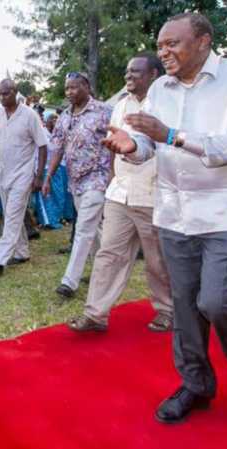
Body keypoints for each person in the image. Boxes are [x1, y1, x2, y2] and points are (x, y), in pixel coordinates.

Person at [103, 13, 227, 423]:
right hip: (175, 215)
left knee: (218, 303)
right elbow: (152, 144)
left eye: (172, 44)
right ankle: (196, 384)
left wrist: (172, 135)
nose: (164, 54)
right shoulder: (161, 87)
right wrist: (132, 146)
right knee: (185, 308)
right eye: (160, 46)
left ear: (202, 42)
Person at [67, 53, 173, 333]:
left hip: (153, 195)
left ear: (153, 74)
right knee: (108, 254)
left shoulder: (166, 105)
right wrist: (110, 185)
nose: (128, 76)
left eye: (136, 72)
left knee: (157, 259)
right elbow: (113, 150)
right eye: (127, 71)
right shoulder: (120, 106)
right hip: (119, 194)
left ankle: (167, 310)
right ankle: (95, 314)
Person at [44, 72, 113, 299]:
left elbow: (117, 143)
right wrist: (48, 177)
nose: (69, 92)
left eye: (74, 87)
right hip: (76, 181)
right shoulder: (64, 116)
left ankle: (69, 282)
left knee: (83, 228)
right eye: (67, 88)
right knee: (93, 231)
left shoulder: (104, 112)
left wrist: (114, 174)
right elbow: (57, 148)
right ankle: (109, 268)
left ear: (86, 86)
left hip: (98, 178)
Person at [0, 79, 47, 277]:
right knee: (10, 214)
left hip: (23, 174)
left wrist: (39, 175)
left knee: (13, 216)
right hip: (3, 173)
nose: (1, 97)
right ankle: (22, 252)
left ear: (15, 92)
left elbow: (42, 146)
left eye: (5, 93)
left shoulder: (30, 115)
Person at [33, 112, 63, 230]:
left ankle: (55, 218)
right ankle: (47, 221)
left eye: (56, 118)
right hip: (43, 168)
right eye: (52, 118)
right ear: (46, 121)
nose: (55, 120)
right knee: (46, 195)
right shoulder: (42, 133)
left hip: (55, 167)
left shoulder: (57, 133)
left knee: (57, 195)